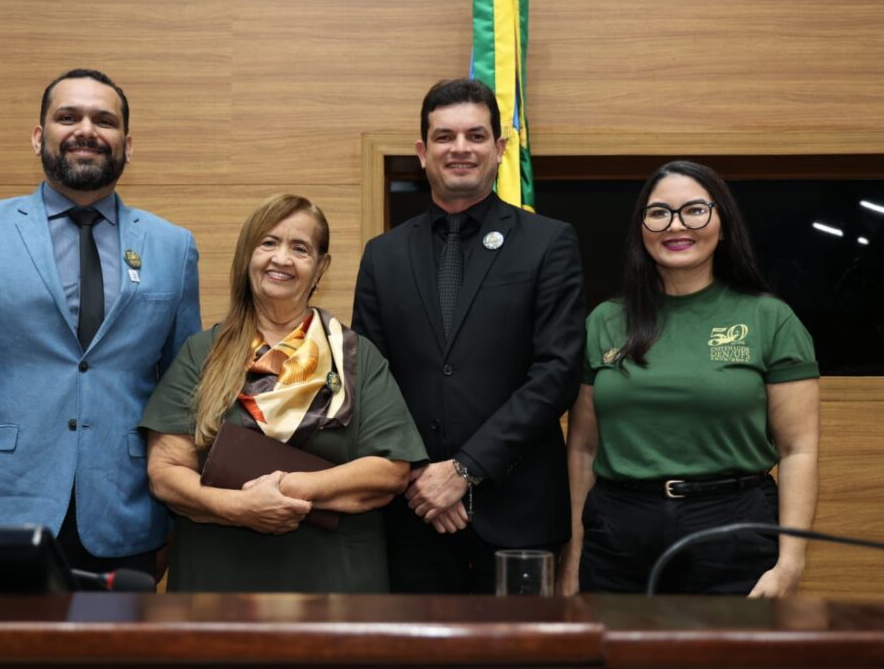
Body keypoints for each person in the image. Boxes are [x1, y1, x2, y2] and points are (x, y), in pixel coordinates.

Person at [0, 69, 200, 578]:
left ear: (127, 145)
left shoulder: (173, 247)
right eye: (68, 117)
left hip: (128, 525)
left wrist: (175, 522)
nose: (86, 130)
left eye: (104, 120)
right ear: (39, 137)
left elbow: (184, 399)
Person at [351, 79, 585, 593]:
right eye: (445, 136)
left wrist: (464, 470)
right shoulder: (383, 255)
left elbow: (557, 373)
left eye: (476, 136)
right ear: (422, 152)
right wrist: (420, 475)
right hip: (413, 514)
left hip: (519, 516)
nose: (460, 148)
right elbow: (369, 381)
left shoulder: (548, 243)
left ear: (499, 149)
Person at [558, 160, 819, 597]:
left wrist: (790, 563)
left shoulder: (770, 318)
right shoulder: (605, 321)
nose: (676, 225)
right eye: (659, 212)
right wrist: (573, 557)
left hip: (733, 527)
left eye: (695, 210)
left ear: (723, 223)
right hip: (618, 532)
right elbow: (583, 449)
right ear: (642, 228)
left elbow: (798, 450)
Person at [142, 194, 426, 593]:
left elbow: (390, 470)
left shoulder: (355, 357)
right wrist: (241, 508)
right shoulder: (201, 353)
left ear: (321, 267)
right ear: (248, 255)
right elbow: (166, 474)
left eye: (300, 248)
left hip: (335, 583)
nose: (282, 258)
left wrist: (286, 490)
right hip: (216, 583)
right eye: (268, 243)